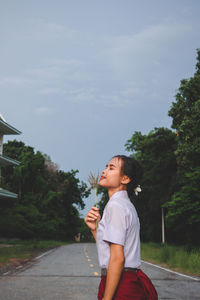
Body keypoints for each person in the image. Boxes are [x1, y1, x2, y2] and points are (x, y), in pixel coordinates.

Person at [85, 155, 158, 300]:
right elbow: (110, 249)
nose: (104, 171)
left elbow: (117, 258)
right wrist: (95, 229)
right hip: (125, 280)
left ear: (125, 179)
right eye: (106, 167)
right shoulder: (125, 205)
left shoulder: (115, 206)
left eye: (111, 168)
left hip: (121, 284)